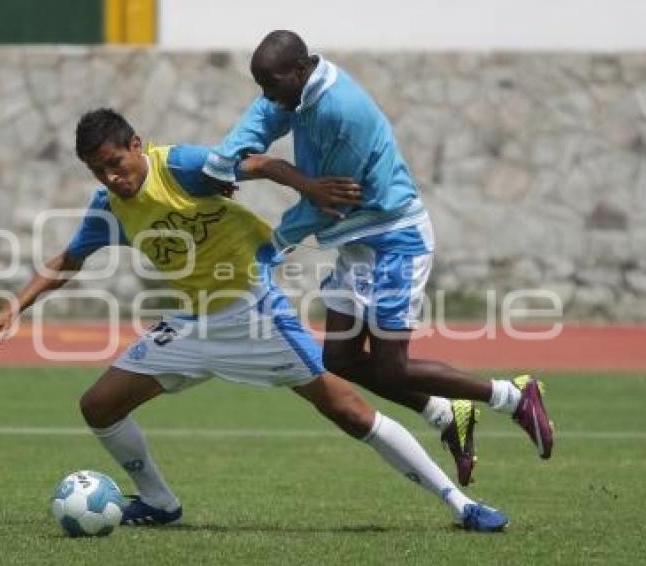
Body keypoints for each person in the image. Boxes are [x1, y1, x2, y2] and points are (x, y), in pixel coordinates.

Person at [0, 108, 507, 531]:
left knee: (347, 410)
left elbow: (257, 163)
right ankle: (159, 504)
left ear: (137, 145)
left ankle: (460, 502)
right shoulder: (109, 204)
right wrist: (13, 306)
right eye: (99, 170)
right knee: (99, 405)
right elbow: (70, 259)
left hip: (254, 315)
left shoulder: (179, 165)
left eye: (117, 162)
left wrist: (306, 187)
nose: (113, 176)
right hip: (191, 323)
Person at [202, 30, 554, 485]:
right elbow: (261, 122)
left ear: (299, 69)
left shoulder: (341, 111)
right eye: (261, 85)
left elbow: (330, 200)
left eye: (271, 84)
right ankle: (449, 415)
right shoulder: (292, 91)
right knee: (340, 359)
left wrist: (269, 249)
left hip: (394, 241)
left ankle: (514, 394)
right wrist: (220, 163)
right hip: (358, 245)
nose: (267, 96)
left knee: (395, 368)